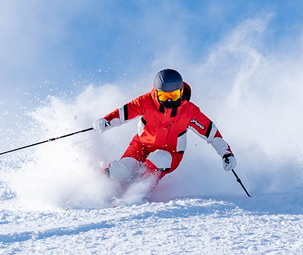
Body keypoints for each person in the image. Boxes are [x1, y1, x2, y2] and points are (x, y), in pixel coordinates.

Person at [93, 68, 236, 185]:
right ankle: (97, 185)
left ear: (180, 92)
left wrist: (226, 153)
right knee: (121, 170)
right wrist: (106, 122)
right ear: (156, 92)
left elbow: (211, 134)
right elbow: (123, 113)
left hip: (170, 153)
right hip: (141, 146)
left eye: (173, 96)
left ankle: (136, 190)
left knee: (158, 159)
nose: (168, 100)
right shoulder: (146, 101)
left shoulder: (189, 111)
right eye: (163, 96)